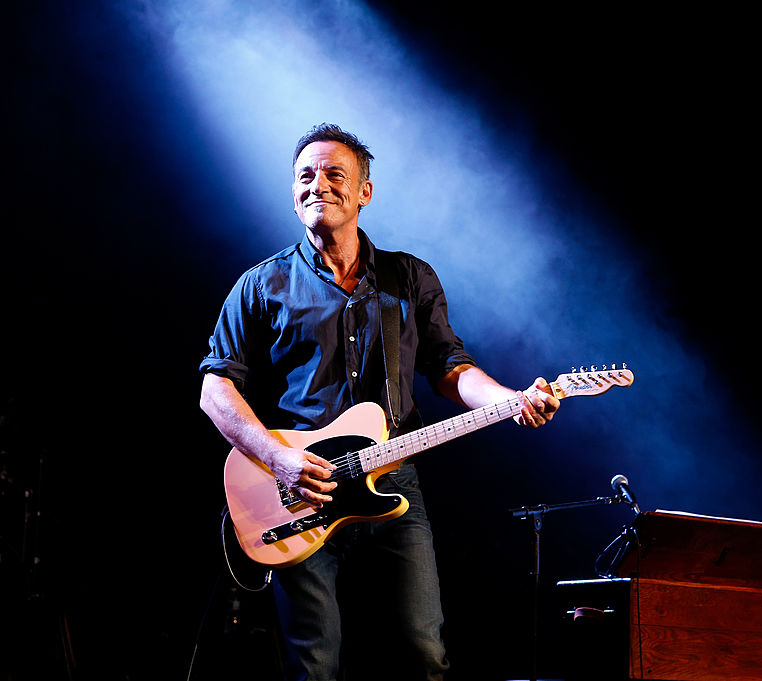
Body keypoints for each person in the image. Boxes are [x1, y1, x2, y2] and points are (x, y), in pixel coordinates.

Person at [198, 123, 560, 681]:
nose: (317, 184)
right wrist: (278, 459)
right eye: (305, 175)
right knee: (314, 665)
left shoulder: (409, 277)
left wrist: (511, 399)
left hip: (395, 483)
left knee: (423, 654)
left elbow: (449, 368)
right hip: (301, 487)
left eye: (334, 173)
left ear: (364, 192)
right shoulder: (260, 285)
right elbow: (215, 388)